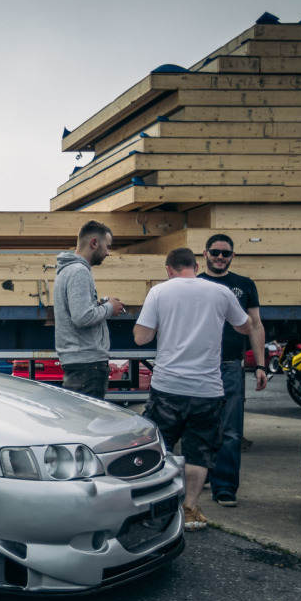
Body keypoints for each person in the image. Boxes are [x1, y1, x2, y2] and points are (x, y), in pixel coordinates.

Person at [134, 247, 253, 531]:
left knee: (160, 450)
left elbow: (141, 338)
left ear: (168, 269)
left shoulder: (159, 292)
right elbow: (246, 327)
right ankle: (189, 509)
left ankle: (155, 508)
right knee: (199, 452)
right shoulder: (221, 292)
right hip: (207, 389)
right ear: (196, 266)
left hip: (168, 387)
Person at [198, 234, 268, 507]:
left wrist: (260, 364)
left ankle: (225, 486)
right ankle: (201, 473)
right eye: (215, 252)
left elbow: (256, 325)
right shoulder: (195, 284)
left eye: (225, 253)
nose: (219, 257)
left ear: (232, 256)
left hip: (230, 366)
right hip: (199, 366)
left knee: (230, 431)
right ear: (204, 253)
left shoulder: (243, 285)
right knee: (198, 426)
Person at [53, 220, 126, 400]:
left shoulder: (68, 270)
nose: (108, 253)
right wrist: (109, 308)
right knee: (88, 425)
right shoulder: (79, 271)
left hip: (81, 364)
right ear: (94, 243)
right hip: (87, 365)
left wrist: (100, 306)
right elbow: (82, 317)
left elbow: (79, 312)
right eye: (107, 246)